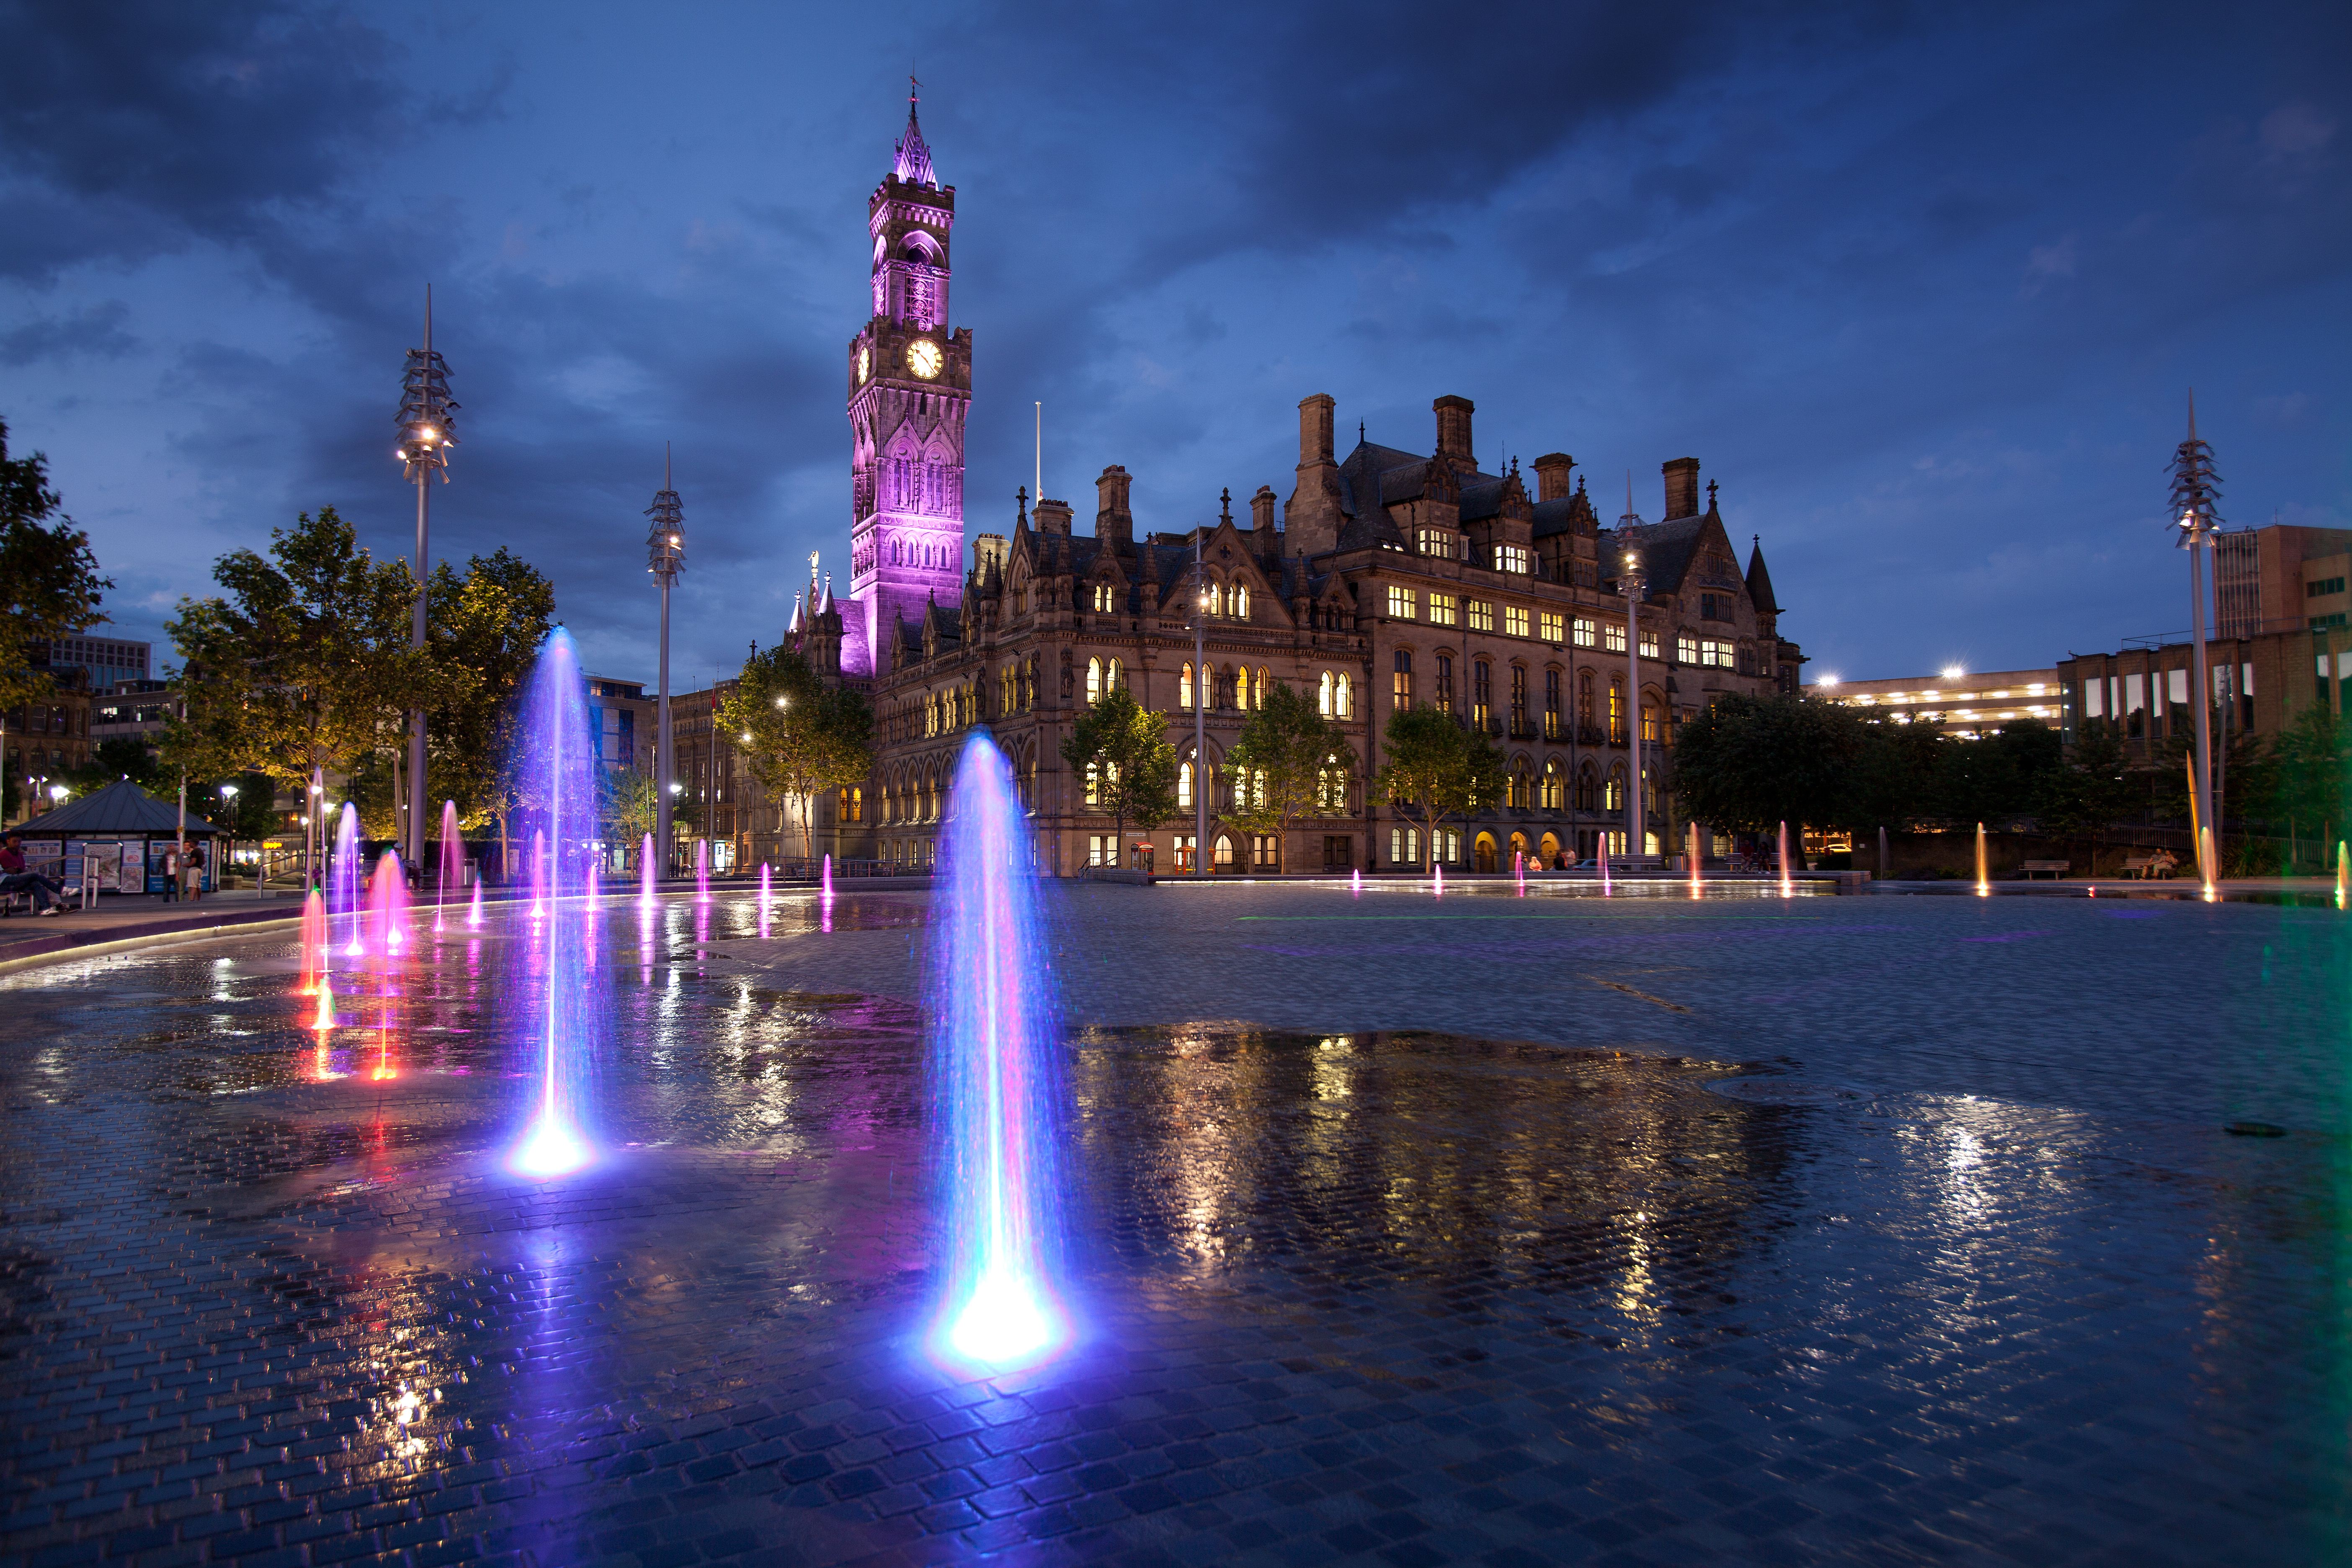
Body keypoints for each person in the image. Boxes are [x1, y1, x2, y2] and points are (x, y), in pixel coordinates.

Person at [0, 834, 66, 915]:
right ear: (8, 842)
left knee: (36, 884)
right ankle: (60, 891)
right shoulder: (4, 854)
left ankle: (47, 908)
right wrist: (6, 870)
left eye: (19, 842)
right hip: (4, 881)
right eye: (15, 842)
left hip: (9, 880)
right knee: (35, 875)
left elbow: (20, 868)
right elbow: (5, 871)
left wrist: (13, 870)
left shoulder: (18, 854)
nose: (18, 844)